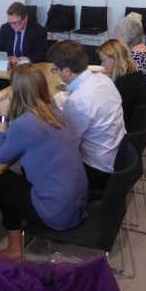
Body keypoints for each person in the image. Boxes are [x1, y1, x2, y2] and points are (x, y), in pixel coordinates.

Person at [0, 64, 87, 260]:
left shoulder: (26, 124)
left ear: (17, 90)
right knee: (8, 179)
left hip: (55, 212)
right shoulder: (53, 109)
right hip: (76, 204)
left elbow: (2, 156)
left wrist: (3, 116)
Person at [48, 40, 125, 190]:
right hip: (118, 155)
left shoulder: (78, 101)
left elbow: (68, 145)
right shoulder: (103, 79)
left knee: (39, 162)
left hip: (97, 170)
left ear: (67, 71)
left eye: (55, 69)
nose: (55, 72)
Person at [0, 2, 49, 95]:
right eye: (10, 22)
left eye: (16, 22)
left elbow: (41, 54)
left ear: (25, 18)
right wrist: (0, 58)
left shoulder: (38, 30)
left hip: (27, 71)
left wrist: (20, 59)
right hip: (9, 69)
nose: (13, 26)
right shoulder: (5, 28)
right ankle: (1, 105)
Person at [97, 40, 146, 130]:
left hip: (125, 129)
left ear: (115, 58)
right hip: (137, 125)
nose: (102, 65)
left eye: (104, 61)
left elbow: (108, 110)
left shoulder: (123, 82)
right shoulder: (134, 72)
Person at [114, 16, 146, 95]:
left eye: (117, 34)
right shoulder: (143, 49)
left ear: (126, 36)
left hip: (145, 100)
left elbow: (124, 83)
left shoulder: (135, 57)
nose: (115, 38)